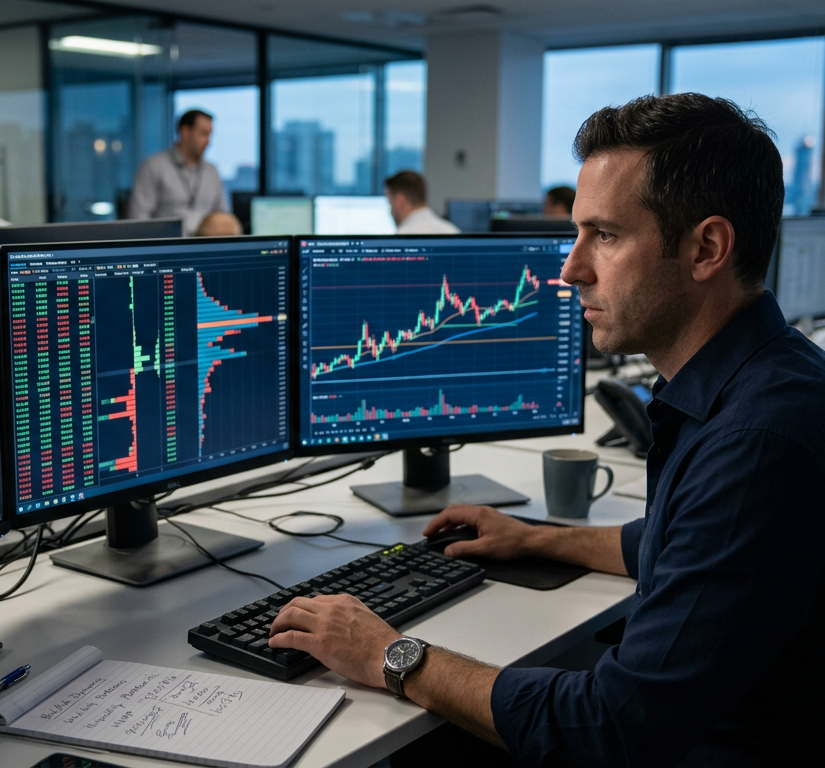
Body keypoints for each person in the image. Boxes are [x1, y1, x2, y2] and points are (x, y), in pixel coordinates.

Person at [269, 93, 825, 767]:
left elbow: (613, 728)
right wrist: (538, 538)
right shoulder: (770, 377)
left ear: (707, 247)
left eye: (607, 236)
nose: (571, 268)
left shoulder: (756, 441)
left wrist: (391, 654)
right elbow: (684, 539)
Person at [128, 109, 229, 235]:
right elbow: (139, 218)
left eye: (209, 135)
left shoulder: (212, 171)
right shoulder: (153, 166)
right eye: (203, 134)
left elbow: (223, 216)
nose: (208, 142)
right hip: (167, 248)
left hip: (206, 248)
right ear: (185, 132)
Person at [384, 170, 460, 234]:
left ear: (400, 200)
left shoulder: (403, 236)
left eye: (390, 203)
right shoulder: (452, 231)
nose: (390, 212)